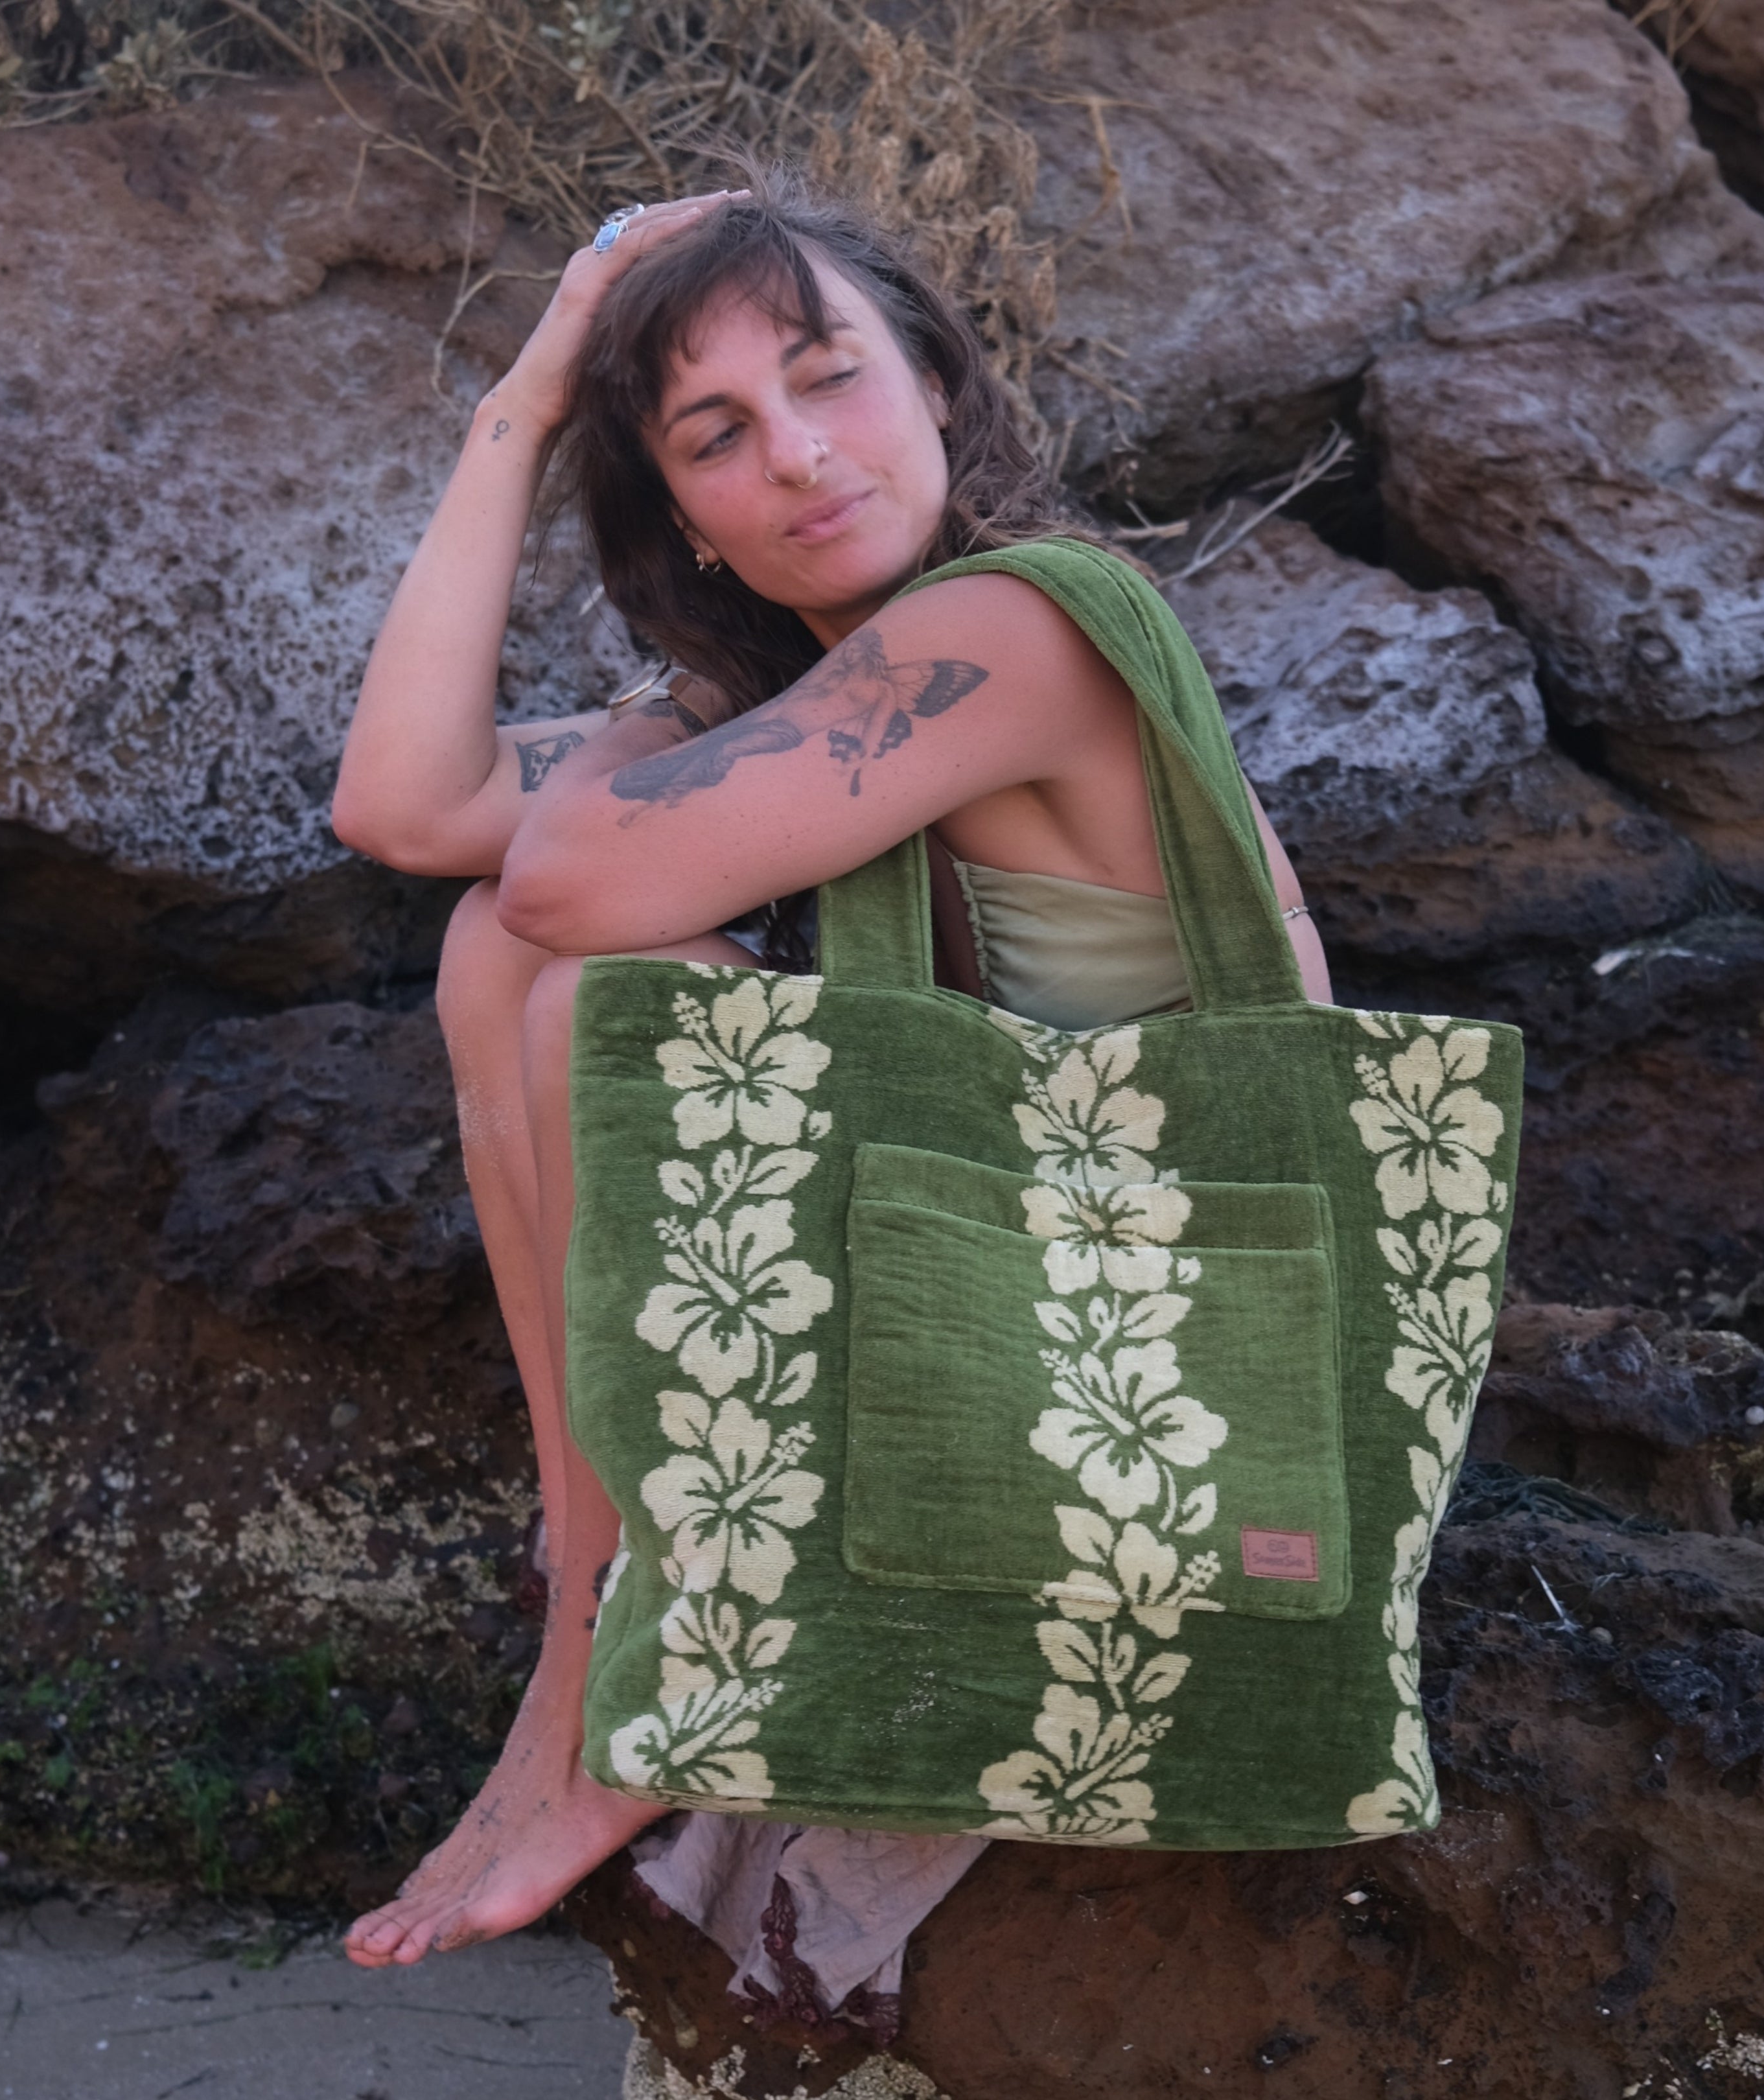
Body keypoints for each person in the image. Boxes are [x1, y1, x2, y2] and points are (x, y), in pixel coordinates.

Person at [329, 172, 1330, 1976]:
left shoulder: (1021, 624)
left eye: (829, 376)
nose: (798, 456)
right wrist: (528, 401)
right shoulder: (813, 685)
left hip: (1172, 1370)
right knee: (500, 953)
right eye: (716, 436)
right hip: (1019, 1312)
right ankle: (584, 1650)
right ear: (686, 520)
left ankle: (624, 1678)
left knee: (589, 982)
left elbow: (568, 879)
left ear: (935, 380)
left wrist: (639, 740)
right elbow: (408, 807)